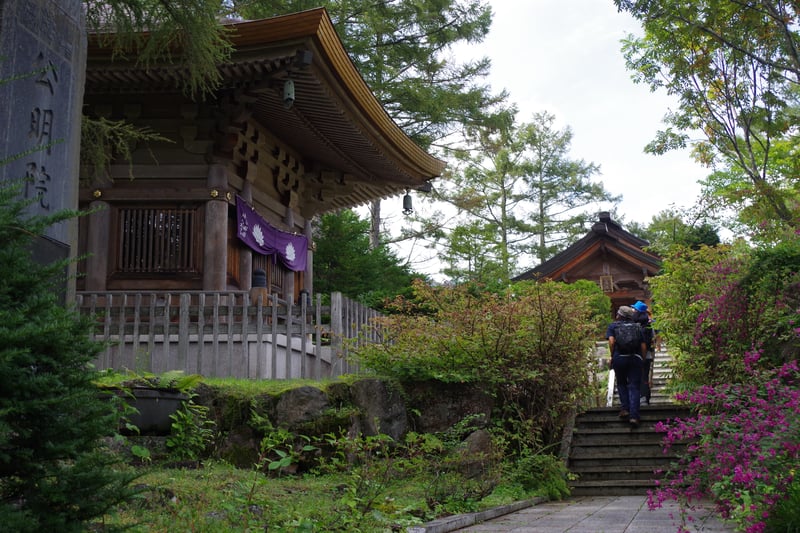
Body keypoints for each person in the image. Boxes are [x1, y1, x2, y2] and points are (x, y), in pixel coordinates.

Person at [606, 305, 647, 428]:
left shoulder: (613, 326)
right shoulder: (638, 327)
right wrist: (642, 359)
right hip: (635, 358)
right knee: (634, 386)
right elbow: (643, 346)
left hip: (619, 358)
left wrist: (612, 356)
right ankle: (634, 416)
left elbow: (611, 342)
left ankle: (625, 409)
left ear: (619, 315)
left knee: (621, 383)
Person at [632, 300, 655, 405]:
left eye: (634, 309)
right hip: (648, 355)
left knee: (636, 377)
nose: (633, 310)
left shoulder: (634, 325)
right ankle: (646, 398)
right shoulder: (649, 326)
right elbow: (653, 339)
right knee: (644, 377)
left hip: (636, 355)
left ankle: (639, 398)